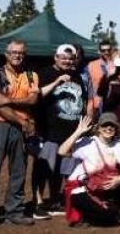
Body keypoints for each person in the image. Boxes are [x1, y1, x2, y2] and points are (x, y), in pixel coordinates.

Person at [33, 44, 91, 220]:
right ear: (55, 57)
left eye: (70, 58)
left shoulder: (77, 77)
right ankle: (38, 203)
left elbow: (83, 99)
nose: (67, 61)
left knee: (61, 169)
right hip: (49, 130)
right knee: (44, 168)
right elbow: (37, 95)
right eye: (63, 57)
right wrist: (57, 82)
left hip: (70, 132)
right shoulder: (44, 73)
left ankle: (54, 200)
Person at [58, 113, 120, 228]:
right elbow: (62, 151)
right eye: (105, 125)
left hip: (102, 186)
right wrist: (78, 131)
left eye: (112, 126)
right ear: (98, 128)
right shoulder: (87, 142)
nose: (108, 128)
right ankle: (112, 214)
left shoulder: (117, 145)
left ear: (116, 129)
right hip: (80, 189)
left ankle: (115, 211)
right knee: (109, 220)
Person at [85, 38, 117, 112]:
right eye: (103, 50)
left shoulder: (117, 65)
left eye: (108, 50)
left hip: (114, 104)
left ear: (112, 50)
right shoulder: (91, 65)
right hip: (97, 105)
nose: (106, 52)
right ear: (99, 51)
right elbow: (88, 88)